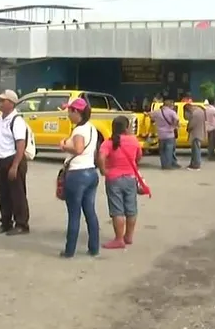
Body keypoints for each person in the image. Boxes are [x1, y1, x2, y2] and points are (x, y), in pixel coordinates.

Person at [59, 98, 100, 258]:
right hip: (90, 172)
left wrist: (64, 146)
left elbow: (78, 149)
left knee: (74, 214)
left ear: (77, 112)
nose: (68, 115)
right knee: (90, 211)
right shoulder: (92, 128)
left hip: (77, 174)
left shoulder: (79, 131)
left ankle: (70, 250)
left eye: (70, 111)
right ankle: (94, 247)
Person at [0, 89, 30, 235]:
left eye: (3, 101)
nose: (0, 103)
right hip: (1, 159)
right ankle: (6, 222)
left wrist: (15, 166)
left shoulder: (17, 121)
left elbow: (20, 144)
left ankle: (22, 224)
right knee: (3, 194)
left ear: (11, 103)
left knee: (17, 194)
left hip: (13, 159)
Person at [97, 116, 141, 249]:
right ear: (126, 128)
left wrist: (103, 170)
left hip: (114, 179)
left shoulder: (109, 143)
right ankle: (129, 237)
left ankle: (119, 239)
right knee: (131, 208)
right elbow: (139, 156)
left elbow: (101, 157)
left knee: (117, 210)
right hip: (130, 178)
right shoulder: (133, 140)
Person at [149, 99, 180, 170]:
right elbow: (177, 119)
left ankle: (163, 165)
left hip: (161, 135)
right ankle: (168, 166)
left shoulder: (157, 112)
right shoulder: (172, 112)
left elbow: (150, 115)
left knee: (162, 151)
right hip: (169, 135)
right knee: (169, 151)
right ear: (170, 105)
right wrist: (174, 126)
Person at [186, 103, 206, 171]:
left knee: (196, 150)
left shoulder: (195, 113)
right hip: (199, 133)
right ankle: (193, 163)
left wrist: (188, 128)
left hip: (195, 134)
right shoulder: (200, 111)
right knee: (196, 149)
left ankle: (196, 165)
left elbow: (192, 124)